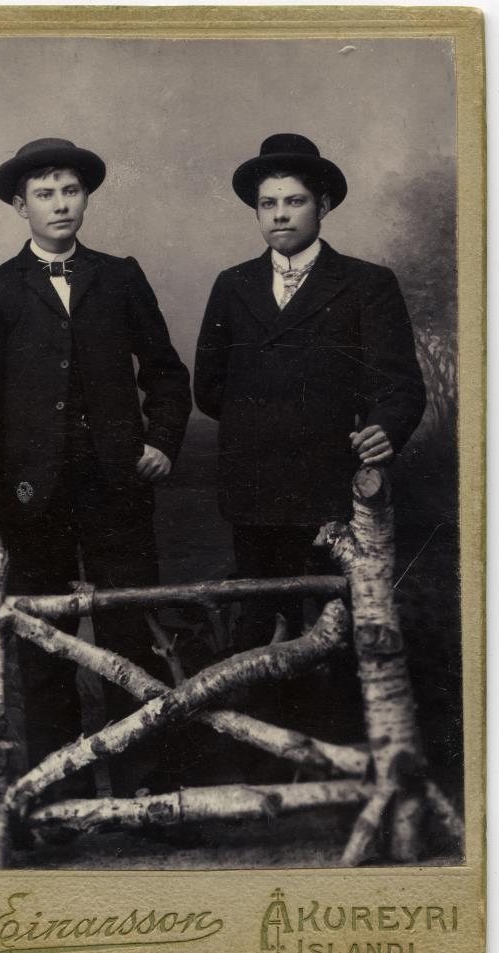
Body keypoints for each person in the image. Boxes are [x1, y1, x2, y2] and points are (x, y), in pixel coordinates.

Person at [0, 137, 191, 794]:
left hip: (118, 489)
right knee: (43, 643)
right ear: (19, 206)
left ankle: (146, 790)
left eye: (70, 191)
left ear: (85, 198)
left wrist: (162, 442)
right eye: (44, 194)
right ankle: (57, 797)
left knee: (131, 633)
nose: (60, 204)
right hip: (30, 497)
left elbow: (167, 373)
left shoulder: (119, 276)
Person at [194, 133, 426, 745]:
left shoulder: (366, 283)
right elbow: (209, 388)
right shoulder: (233, 284)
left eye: (294, 202)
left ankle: (342, 760)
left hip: (331, 485)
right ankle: (263, 755)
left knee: (337, 623)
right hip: (254, 487)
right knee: (259, 624)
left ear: (322, 206)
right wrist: (263, 424)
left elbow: (401, 386)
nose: (279, 216)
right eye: (267, 204)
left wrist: (384, 429)